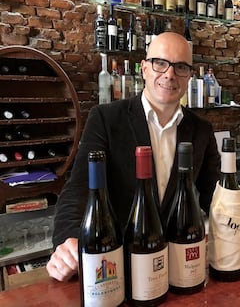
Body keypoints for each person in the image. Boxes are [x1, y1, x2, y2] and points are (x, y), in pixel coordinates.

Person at [46, 32, 221, 282]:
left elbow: (214, 196)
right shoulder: (106, 119)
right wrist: (68, 240)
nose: (169, 74)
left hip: (175, 265)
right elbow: (78, 188)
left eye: (180, 67)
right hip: (118, 264)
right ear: (145, 69)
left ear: (189, 76)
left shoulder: (201, 129)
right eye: (160, 63)